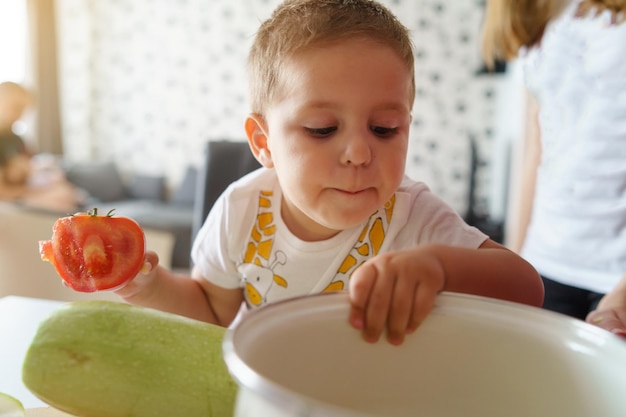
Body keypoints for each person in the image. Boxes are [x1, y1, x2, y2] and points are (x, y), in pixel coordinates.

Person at [115, 0, 543, 345]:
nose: (359, 152)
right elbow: (214, 312)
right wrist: (151, 289)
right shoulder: (241, 210)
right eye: (322, 130)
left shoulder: (413, 218)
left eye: (384, 129)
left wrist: (440, 267)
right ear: (264, 143)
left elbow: (528, 288)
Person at [482, 0, 626, 338]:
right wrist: (516, 262)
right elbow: (537, 143)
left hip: (615, 277)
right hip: (546, 261)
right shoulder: (537, 11)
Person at [0, 81, 82, 212]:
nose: (19, 115)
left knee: (68, 192)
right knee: (62, 198)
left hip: (24, 191)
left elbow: (29, 169)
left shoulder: (16, 139)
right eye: (15, 107)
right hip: (9, 200)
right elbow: (3, 192)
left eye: (23, 109)